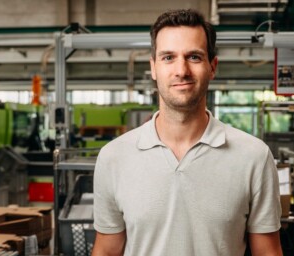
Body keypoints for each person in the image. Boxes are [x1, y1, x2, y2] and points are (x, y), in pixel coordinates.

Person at [92, 9, 283, 256]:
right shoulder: (113, 157)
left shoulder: (254, 157)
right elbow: (107, 251)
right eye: (168, 57)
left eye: (193, 57)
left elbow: (267, 253)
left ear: (212, 67)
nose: (181, 70)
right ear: (153, 68)